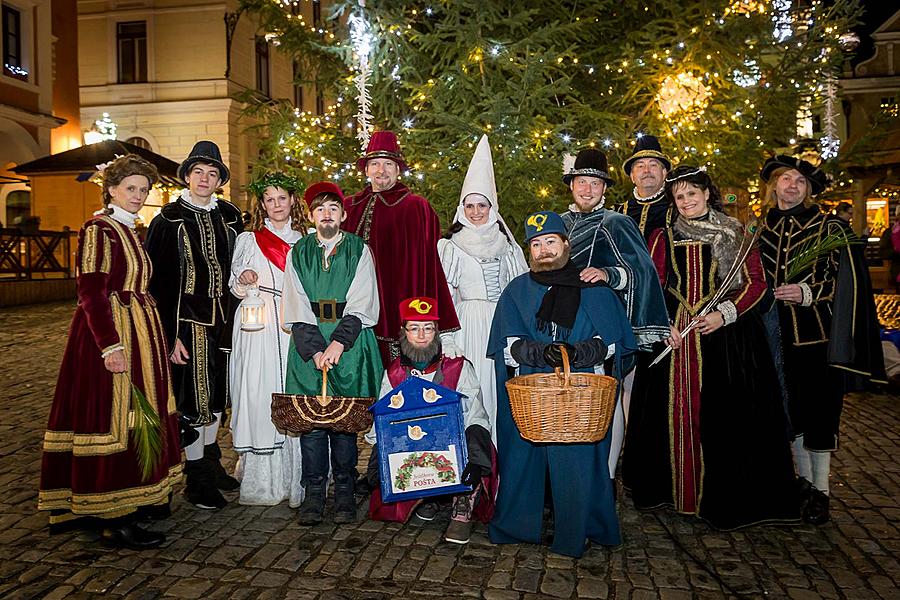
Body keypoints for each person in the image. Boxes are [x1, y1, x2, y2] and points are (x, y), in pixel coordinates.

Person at [622, 165, 800, 529]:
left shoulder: (736, 233)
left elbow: (756, 285)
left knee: (724, 416)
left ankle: (722, 499)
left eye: (692, 193)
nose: (686, 201)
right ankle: (669, 492)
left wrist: (725, 314)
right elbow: (653, 284)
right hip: (676, 335)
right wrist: (663, 322)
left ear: (706, 194)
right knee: (664, 413)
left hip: (726, 339)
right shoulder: (662, 236)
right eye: (679, 196)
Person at [38, 154, 183, 549]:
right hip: (115, 337)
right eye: (131, 188)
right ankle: (113, 517)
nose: (138, 195)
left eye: (144, 189)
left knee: (143, 416)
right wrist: (110, 345)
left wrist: (162, 340)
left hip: (143, 335)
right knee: (117, 417)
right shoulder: (98, 230)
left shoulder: (129, 230)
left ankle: (138, 500)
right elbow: (90, 293)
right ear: (112, 189)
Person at [486, 211, 637, 558]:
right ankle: (522, 524)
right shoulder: (517, 290)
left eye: (550, 241)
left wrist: (580, 352)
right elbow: (507, 347)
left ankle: (578, 527)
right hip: (533, 397)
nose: (544, 250)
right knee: (524, 454)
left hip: (582, 396)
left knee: (578, 460)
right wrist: (541, 352)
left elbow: (612, 343)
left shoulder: (594, 289)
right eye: (536, 245)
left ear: (566, 245)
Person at [759, 154, 885, 524]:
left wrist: (808, 291)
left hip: (814, 337)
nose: (793, 185)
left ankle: (822, 491)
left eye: (801, 181)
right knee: (788, 412)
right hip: (769, 334)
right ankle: (801, 484)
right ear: (774, 185)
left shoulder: (829, 229)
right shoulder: (758, 229)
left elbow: (846, 282)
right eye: (786, 179)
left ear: (809, 189)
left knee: (819, 412)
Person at [559, 147, 670, 477]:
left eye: (595, 184)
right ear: (572, 185)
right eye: (582, 182)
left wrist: (608, 274)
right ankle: (572, 470)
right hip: (564, 325)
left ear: (605, 189)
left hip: (604, 324)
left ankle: (606, 475)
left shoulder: (616, 222)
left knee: (607, 394)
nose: (587, 189)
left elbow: (642, 271)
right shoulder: (559, 223)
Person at [145, 141, 244, 510]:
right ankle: (196, 477)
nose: (205, 178)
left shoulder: (231, 216)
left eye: (212, 173)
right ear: (187, 176)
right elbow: (157, 283)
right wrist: (169, 337)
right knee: (195, 399)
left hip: (227, 320)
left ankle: (212, 459)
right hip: (187, 322)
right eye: (198, 172)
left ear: (219, 180)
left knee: (219, 396)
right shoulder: (168, 219)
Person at [281, 181, 382, 525]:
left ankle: (343, 490)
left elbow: (362, 299)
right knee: (311, 421)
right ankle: (313, 492)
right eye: (320, 209)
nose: (327, 215)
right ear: (311, 215)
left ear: (343, 215)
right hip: (308, 342)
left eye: (333, 209)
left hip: (349, 343)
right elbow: (294, 303)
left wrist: (338, 343)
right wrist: (314, 351)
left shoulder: (358, 250)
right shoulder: (298, 252)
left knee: (343, 422)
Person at [365, 297, 495, 545]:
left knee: (476, 440)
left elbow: (476, 417)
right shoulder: (393, 373)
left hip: (454, 447)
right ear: (404, 333)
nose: (422, 335)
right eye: (414, 328)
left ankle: (461, 506)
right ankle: (428, 497)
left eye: (428, 328)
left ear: (437, 332)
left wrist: (476, 461)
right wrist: (376, 457)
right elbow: (382, 420)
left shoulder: (458, 367)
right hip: (414, 446)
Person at [343, 130, 460, 366]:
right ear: (366, 170)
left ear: (398, 169)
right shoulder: (348, 207)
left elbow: (427, 266)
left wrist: (425, 319)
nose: (381, 170)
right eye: (374, 164)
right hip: (352, 309)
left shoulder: (415, 207)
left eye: (388, 164)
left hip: (397, 310)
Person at [438, 135, 527, 443]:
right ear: (462, 208)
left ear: (492, 207)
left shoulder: (509, 247)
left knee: (499, 389)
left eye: (482, 205)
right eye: (470, 205)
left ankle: (501, 464)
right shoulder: (450, 247)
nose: (476, 212)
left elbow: (520, 292)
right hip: (467, 323)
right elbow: (444, 294)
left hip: (500, 324)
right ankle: (472, 462)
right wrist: (447, 337)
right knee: (469, 389)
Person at [228, 173, 306, 506]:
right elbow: (234, 284)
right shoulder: (249, 240)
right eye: (269, 200)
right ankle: (263, 477)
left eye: (282, 198)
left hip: (295, 324)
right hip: (258, 325)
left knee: (294, 390)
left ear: (292, 201)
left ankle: (300, 476)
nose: (276, 205)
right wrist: (244, 279)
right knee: (260, 390)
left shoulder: (307, 238)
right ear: (262, 204)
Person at [618, 134, 672, 240]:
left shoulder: (678, 209)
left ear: (664, 173)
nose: (647, 170)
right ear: (632, 176)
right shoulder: (619, 212)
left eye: (653, 165)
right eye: (640, 166)